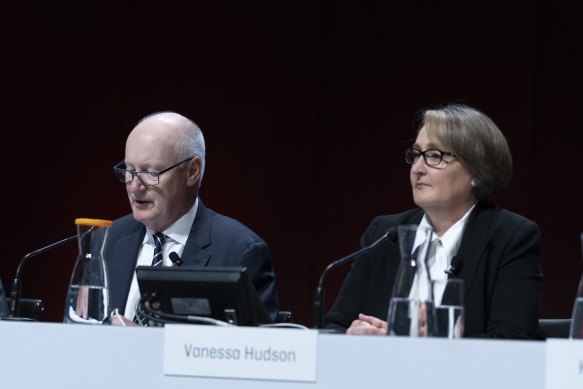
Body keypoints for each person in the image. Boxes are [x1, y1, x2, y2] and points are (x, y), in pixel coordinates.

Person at [322, 103, 543, 338]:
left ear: (477, 172)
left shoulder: (510, 237)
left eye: (435, 156)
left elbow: (512, 343)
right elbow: (334, 327)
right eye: (416, 155)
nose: (417, 168)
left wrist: (422, 343)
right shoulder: (384, 234)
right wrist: (353, 336)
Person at [106, 111, 279, 326]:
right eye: (130, 170)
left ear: (192, 171)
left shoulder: (240, 252)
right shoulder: (106, 240)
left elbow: (257, 350)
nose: (134, 186)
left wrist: (146, 344)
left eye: (151, 172)